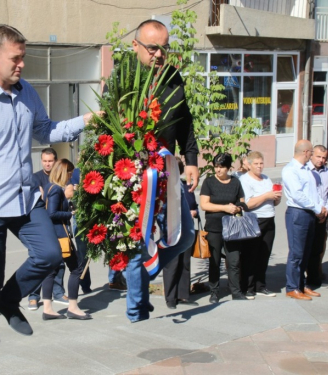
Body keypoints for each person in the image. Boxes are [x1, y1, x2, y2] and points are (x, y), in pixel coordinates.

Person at [0, 24, 97, 361]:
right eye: (16, 58)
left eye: (23, 58)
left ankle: (8, 299)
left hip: (25, 198)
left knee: (51, 255)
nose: (22, 65)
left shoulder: (27, 91)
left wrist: (86, 119)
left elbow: (47, 130)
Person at [123, 19, 199, 322]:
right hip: (132, 175)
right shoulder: (122, 79)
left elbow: (185, 120)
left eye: (164, 49)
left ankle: (147, 268)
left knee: (186, 235)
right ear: (136, 46)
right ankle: (136, 314)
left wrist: (191, 158)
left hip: (166, 169)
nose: (159, 55)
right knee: (135, 244)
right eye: (152, 48)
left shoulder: (172, 76)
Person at [41, 159, 91, 320]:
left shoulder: (49, 187)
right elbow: (51, 213)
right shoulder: (56, 189)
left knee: (51, 271)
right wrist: (71, 213)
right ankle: (73, 307)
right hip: (61, 236)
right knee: (76, 269)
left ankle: (47, 308)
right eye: (69, 173)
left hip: (51, 236)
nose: (70, 177)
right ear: (64, 172)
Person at [200, 153, 249, 303]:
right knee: (214, 262)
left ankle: (236, 291)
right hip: (214, 227)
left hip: (232, 227)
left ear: (228, 168)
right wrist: (224, 208)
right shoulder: (209, 182)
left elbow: (242, 202)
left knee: (234, 261)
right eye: (216, 166)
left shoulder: (235, 182)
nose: (218, 170)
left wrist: (238, 208)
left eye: (221, 167)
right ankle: (214, 292)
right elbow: (204, 205)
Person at [282, 140, 326, 300]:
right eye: (312, 153)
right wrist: (316, 208)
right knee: (297, 253)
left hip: (310, 213)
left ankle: (302, 285)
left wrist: (319, 208)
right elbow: (297, 195)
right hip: (298, 213)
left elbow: (314, 192)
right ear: (306, 152)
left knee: (307, 251)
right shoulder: (291, 170)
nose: (313, 156)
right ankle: (292, 287)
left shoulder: (307, 169)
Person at [28, 147, 68, 311]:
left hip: (58, 225)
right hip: (40, 226)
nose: (47, 164)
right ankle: (33, 295)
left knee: (60, 260)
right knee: (38, 260)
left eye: (50, 161)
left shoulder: (61, 177)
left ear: (56, 161)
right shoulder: (36, 178)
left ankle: (58, 293)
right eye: (44, 161)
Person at [239, 151, 281, 299]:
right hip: (255, 219)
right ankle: (248, 287)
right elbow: (248, 203)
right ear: (249, 165)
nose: (259, 166)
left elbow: (274, 201)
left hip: (269, 218)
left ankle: (260, 285)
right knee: (251, 255)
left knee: (265, 254)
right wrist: (267, 196)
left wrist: (276, 198)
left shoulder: (266, 178)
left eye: (261, 163)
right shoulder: (245, 180)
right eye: (256, 164)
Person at [163, 157, 199, 309]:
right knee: (172, 263)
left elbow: (195, 205)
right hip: (171, 229)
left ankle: (183, 294)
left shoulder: (186, 186)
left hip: (187, 229)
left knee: (184, 262)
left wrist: (194, 212)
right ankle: (170, 298)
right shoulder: (164, 188)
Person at [306, 145, 328, 290]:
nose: (321, 160)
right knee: (304, 247)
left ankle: (314, 278)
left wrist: (326, 209)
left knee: (318, 247)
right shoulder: (305, 171)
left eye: (324, 158)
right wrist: (316, 210)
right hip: (309, 213)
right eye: (318, 157)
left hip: (323, 214)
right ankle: (301, 280)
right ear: (311, 155)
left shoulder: (327, 172)